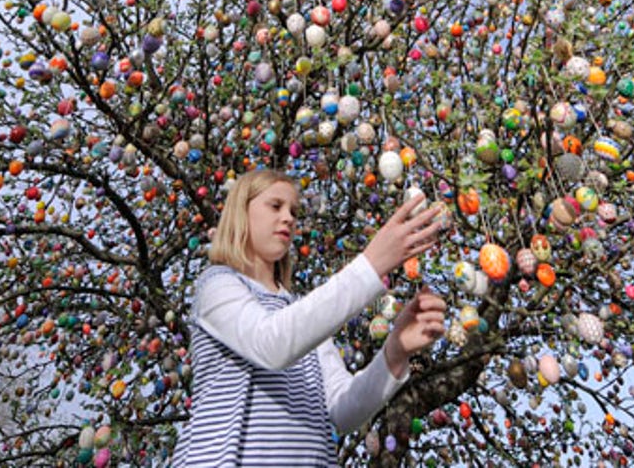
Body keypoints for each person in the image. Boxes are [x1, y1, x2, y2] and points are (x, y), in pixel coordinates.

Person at [173, 169, 447, 466]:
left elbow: (344, 410)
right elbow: (271, 343)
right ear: (241, 212)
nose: (289, 217)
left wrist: (395, 351)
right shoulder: (218, 285)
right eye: (275, 206)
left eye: (294, 210)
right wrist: (371, 265)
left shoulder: (301, 315)